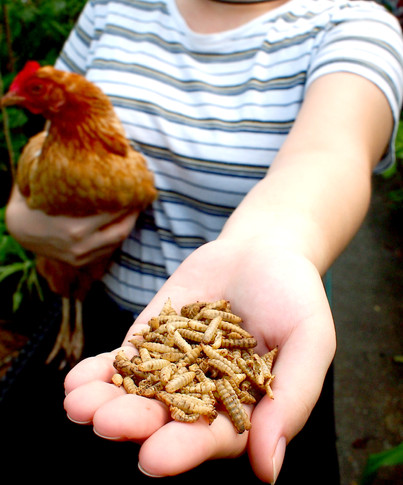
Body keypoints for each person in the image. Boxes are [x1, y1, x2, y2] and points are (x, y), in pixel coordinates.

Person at [4, 0, 403, 483]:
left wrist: (268, 244)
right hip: (108, 331)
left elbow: (330, 153)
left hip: (262, 326)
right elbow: (45, 150)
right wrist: (21, 219)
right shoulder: (110, 7)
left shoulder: (351, 22)